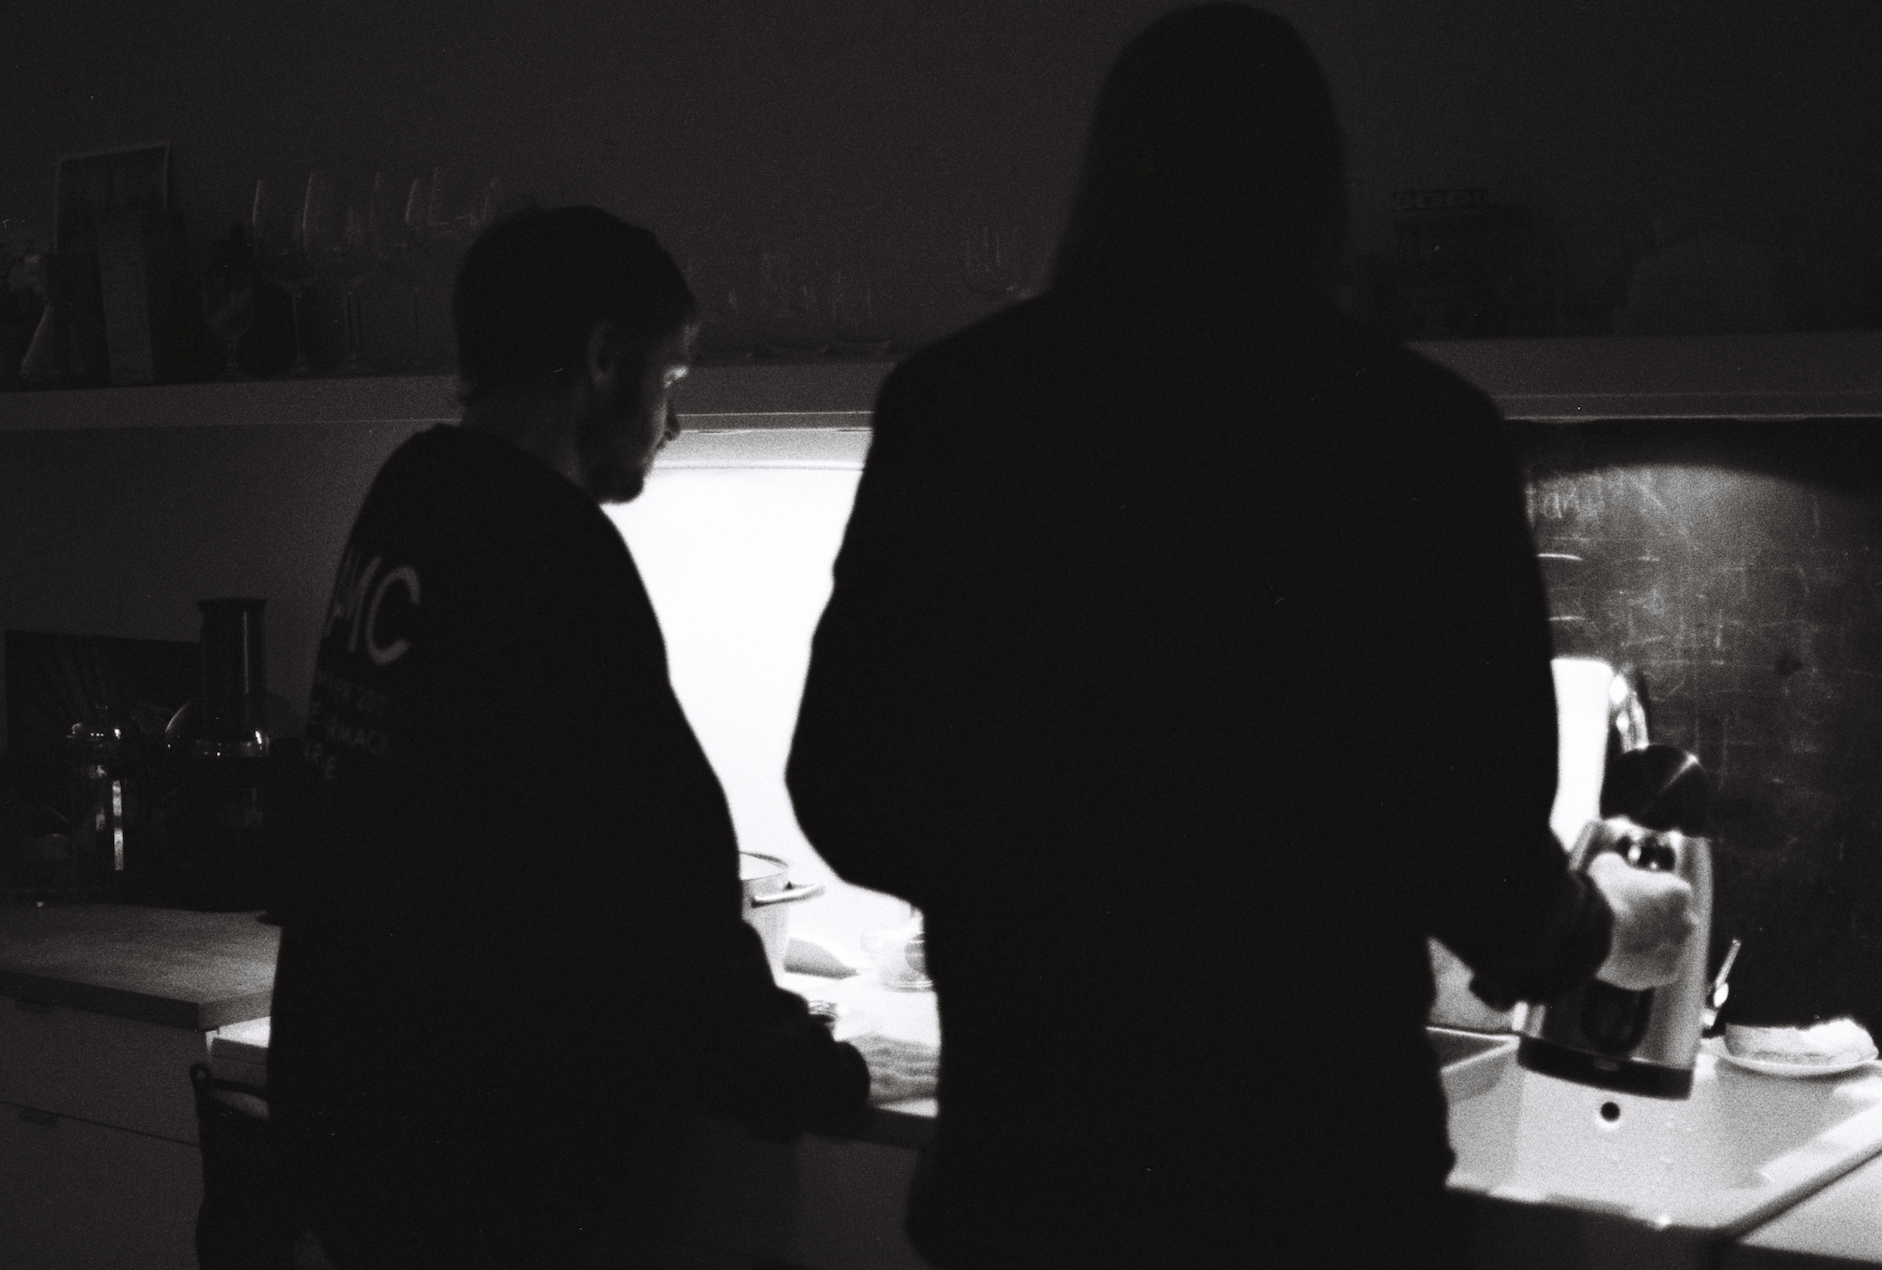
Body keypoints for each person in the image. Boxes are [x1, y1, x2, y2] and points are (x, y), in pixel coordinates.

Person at [785, 7, 1694, 1268]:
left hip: (1037, 1162)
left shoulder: (954, 409)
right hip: (1317, 1175)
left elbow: (843, 781)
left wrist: (1031, 887)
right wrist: (1604, 924)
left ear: (1105, 175)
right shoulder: (1420, 435)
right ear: (1317, 192)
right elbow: (1479, 854)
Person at [268, 206, 930, 1270]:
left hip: (351, 1117)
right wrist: (819, 1073)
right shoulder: (546, 548)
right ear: (602, 360)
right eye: (670, 379)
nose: (674, 423)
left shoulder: (414, 490)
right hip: (473, 1162)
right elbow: (656, 888)